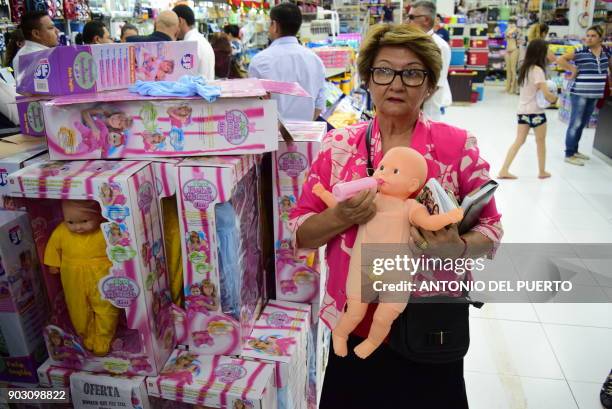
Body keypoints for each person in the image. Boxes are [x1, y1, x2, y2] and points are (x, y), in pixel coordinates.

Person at [290, 24, 502, 409]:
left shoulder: (456, 146)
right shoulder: (339, 145)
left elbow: (491, 228)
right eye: (384, 71)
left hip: (430, 324)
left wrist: (457, 247)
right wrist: (341, 217)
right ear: (368, 80)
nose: (397, 84)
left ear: (430, 85)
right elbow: (302, 232)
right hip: (354, 323)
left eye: (413, 73)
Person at [248, 2, 326, 121]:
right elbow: (319, 105)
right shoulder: (315, 60)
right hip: (305, 136)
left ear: (275, 26)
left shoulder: (260, 61)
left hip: (270, 135)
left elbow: (253, 105)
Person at [498, 40, 558, 179]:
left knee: (519, 140)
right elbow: (546, 93)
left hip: (523, 110)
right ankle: (542, 171)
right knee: (541, 141)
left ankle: (504, 169)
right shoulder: (538, 70)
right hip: (536, 112)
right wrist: (554, 98)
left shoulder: (525, 68)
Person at [557, 25, 611, 166]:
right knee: (575, 123)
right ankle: (569, 153)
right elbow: (560, 60)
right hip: (580, 93)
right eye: (587, 35)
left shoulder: (607, 52)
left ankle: (575, 151)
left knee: (582, 124)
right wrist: (572, 68)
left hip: (595, 93)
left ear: (600, 38)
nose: (588, 38)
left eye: (593, 36)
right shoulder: (580, 50)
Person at [407, 1, 452, 121]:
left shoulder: (440, 46)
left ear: (426, 20)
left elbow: (435, 85)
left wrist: (410, 104)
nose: (408, 21)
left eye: (411, 17)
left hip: (427, 114)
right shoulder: (412, 43)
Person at [173, 4, 215, 81]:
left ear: (180, 21)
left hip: (196, 92)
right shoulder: (202, 40)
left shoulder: (189, 44)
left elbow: (184, 80)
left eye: (173, 24)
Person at [12, 11, 59, 78]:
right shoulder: (42, 57)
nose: (57, 31)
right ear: (36, 34)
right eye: (51, 28)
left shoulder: (22, 54)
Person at [505, 18, 520, 94]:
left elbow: (518, 40)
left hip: (514, 49)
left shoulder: (517, 30)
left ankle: (513, 87)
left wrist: (511, 31)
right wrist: (508, 30)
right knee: (508, 70)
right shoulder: (507, 29)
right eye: (510, 22)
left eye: (512, 22)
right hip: (507, 50)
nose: (511, 24)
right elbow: (505, 38)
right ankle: (507, 87)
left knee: (512, 69)